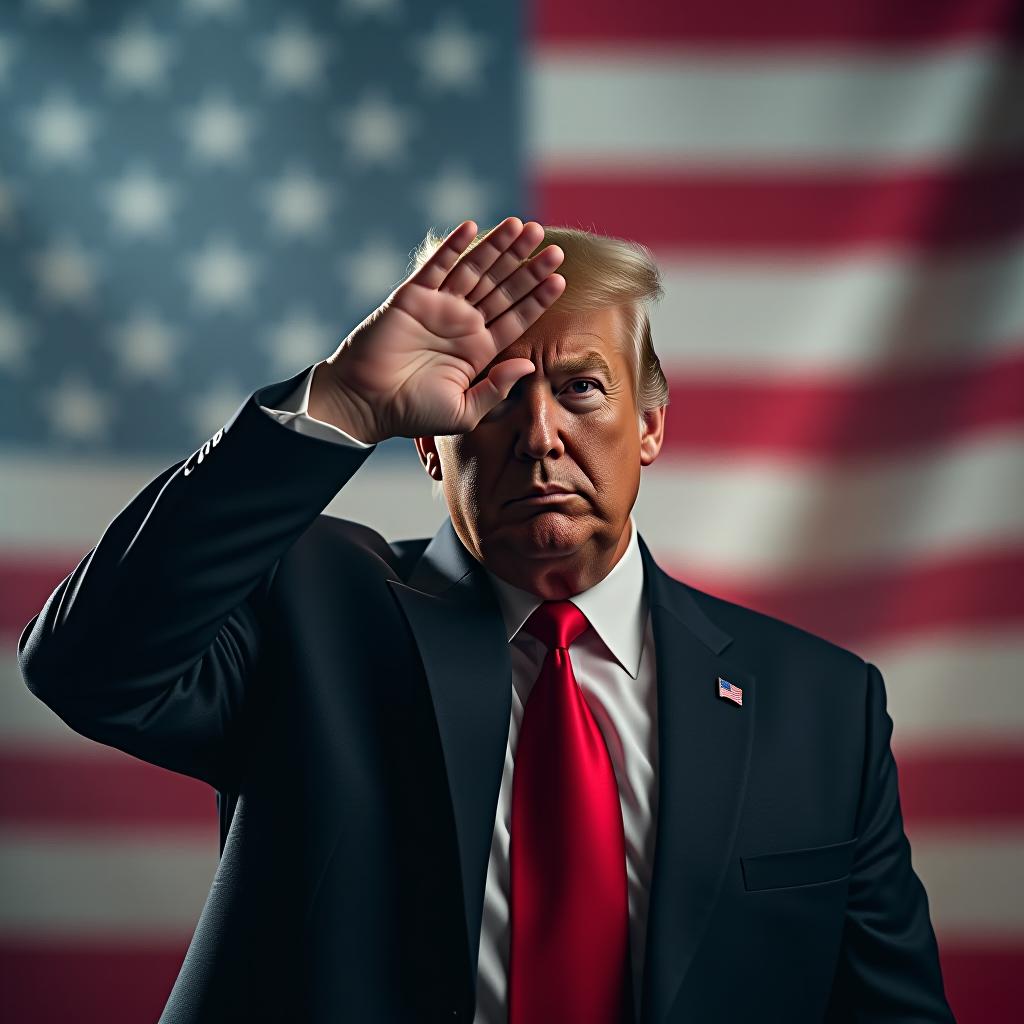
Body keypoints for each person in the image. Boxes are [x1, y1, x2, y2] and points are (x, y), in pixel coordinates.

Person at [18, 218, 956, 1023]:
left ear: (652, 426)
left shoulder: (825, 709)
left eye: (582, 389)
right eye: (499, 394)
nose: (540, 432)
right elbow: (85, 665)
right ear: (430, 444)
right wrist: (340, 403)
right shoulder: (306, 604)